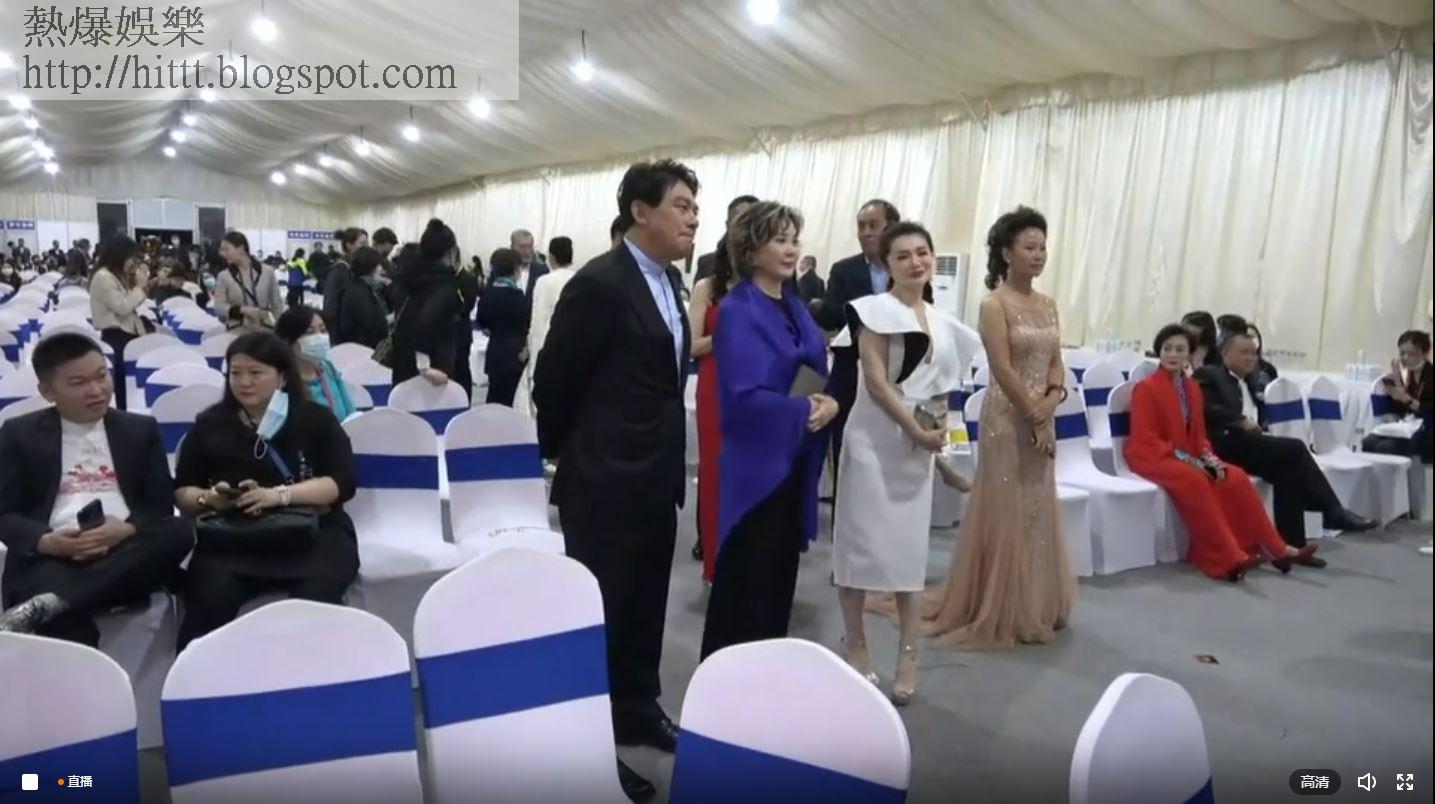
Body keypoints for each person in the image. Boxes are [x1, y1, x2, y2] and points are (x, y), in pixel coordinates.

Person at [533, 159, 696, 803]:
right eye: (681, 205)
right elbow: (554, 380)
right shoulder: (600, 284)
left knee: (645, 604)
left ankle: (636, 707)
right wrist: (574, 454)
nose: (692, 218)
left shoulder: (671, 281)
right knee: (600, 613)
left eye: (694, 207)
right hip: (604, 479)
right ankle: (590, 739)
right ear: (640, 212)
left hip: (657, 475)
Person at [832, 221, 980, 703]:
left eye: (922, 253)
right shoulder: (873, 311)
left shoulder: (946, 324)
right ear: (887, 265)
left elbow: (942, 398)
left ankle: (909, 653)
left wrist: (943, 455)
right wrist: (913, 430)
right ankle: (855, 642)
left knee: (908, 555)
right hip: (873, 439)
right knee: (858, 547)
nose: (915, 262)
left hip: (917, 449)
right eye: (903, 256)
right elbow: (876, 383)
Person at [925, 206, 1076, 648]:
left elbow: (1056, 361)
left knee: (1036, 507)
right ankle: (1000, 606)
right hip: (1007, 418)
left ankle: (1034, 602)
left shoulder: (1048, 305)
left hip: (1041, 414)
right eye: (1029, 247)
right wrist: (1035, 414)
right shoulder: (995, 304)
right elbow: (1002, 368)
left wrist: (1050, 402)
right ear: (1007, 253)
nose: (1039, 254)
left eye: (1043, 247)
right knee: (1007, 507)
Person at [701, 201, 837, 660]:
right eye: (779, 240)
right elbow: (742, 396)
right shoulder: (738, 309)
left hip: (793, 454)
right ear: (751, 248)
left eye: (794, 240)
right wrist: (803, 409)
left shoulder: (794, 304)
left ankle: (767, 679)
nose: (791, 249)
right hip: (757, 466)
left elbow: (815, 368)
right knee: (748, 582)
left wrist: (828, 402)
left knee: (779, 579)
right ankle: (729, 682)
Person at [0, 334, 192, 643]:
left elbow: (159, 505)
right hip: (54, 556)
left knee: (179, 530)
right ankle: (64, 601)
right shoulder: (19, 434)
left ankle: (56, 599)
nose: (97, 390)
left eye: (102, 376)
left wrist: (126, 530)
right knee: (66, 624)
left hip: (125, 549)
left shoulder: (139, 430)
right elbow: (5, 513)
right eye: (78, 383)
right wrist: (46, 542)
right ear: (47, 392)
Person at [173, 332, 359, 649]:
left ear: (282, 377)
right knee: (208, 601)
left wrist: (279, 496)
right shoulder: (210, 425)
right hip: (234, 538)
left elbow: (342, 483)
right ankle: (200, 676)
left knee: (316, 600)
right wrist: (210, 499)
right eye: (235, 373)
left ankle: (316, 672)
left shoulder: (315, 419)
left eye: (256, 373)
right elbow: (182, 491)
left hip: (313, 533)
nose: (244, 382)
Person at [1126, 325, 1319, 581]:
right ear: (1158, 352)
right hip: (1152, 456)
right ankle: (1228, 556)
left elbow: (1199, 436)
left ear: (1189, 355)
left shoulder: (1191, 389)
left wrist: (1208, 457)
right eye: (1167, 349)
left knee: (1233, 476)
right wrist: (1189, 460)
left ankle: (1277, 548)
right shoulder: (1146, 388)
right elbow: (1146, 439)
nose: (1172, 354)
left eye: (1179, 349)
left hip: (1185, 456)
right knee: (1195, 479)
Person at [1196, 330, 1376, 557]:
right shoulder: (1209, 374)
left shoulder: (1250, 381)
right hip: (1224, 443)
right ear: (1225, 353)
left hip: (1250, 444)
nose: (1251, 358)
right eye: (1244, 352)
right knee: (1295, 449)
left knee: (1287, 473)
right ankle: (1332, 511)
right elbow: (1204, 407)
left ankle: (1293, 546)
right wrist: (1238, 420)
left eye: (1254, 353)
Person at [817, 199, 902, 488]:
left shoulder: (905, 267)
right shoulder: (844, 270)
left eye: (873, 226)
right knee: (847, 455)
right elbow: (830, 313)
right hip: (850, 374)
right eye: (861, 227)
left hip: (896, 374)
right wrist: (867, 317)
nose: (866, 233)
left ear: (891, 229)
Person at [687, 231, 736, 576]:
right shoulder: (707, 287)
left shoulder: (765, 289)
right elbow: (692, 345)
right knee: (715, 470)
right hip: (715, 384)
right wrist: (732, 333)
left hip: (755, 384)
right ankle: (715, 562)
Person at [390, 220, 460, 388]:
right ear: (450, 251)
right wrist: (424, 366)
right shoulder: (443, 284)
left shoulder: (405, 276)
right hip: (433, 366)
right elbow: (425, 322)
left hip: (403, 357)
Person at [87, 235, 153, 410]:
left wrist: (139, 284)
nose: (134, 263)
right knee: (121, 387)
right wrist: (139, 287)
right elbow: (122, 308)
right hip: (116, 336)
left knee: (128, 388)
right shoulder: (103, 277)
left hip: (126, 335)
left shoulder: (115, 276)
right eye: (132, 258)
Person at [514, 237, 576, 415]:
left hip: (547, 345)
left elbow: (538, 320)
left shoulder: (544, 281)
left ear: (551, 257)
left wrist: (531, 351)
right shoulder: (581, 278)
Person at [275, 307, 358, 421]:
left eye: (323, 330)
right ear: (289, 341)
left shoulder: (328, 369)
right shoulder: (281, 382)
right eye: (310, 333)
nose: (320, 337)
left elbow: (350, 412)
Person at [1363, 330, 1433, 464]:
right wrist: (1396, 383)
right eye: (1402, 353)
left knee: (1385, 447)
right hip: (1406, 427)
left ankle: (1391, 478)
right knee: (1368, 442)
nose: (1405, 358)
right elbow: (1399, 410)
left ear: (1425, 353)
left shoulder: (1430, 377)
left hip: (1427, 431)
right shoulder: (1406, 376)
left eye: (1411, 354)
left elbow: (1428, 409)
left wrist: (1407, 399)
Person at [476, 248, 531, 406]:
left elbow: (482, 321)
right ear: (516, 269)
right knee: (510, 400)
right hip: (514, 354)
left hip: (495, 351)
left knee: (494, 397)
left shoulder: (488, 293)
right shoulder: (517, 296)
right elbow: (526, 324)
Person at [213, 231, 284, 331]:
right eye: (221, 250)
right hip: (237, 329)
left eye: (226, 249)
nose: (222, 254)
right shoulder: (224, 276)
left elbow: (277, 304)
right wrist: (242, 311)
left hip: (265, 328)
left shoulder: (267, 272)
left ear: (241, 248)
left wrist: (278, 328)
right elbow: (219, 306)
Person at [333, 246, 390, 349]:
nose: (382, 270)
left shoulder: (360, 287)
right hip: (361, 349)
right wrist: (390, 319)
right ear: (370, 267)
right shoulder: (358, 294)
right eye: (378, 265)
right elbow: (371, 324)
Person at [693, 195, 758, 283]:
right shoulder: (707, 264)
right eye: (740, 221)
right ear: (728, 225)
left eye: (753, 222)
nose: (747, 228)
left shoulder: (769, 268)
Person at [322, 227, 369, 335]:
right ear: (349, 245)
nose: (366, 248)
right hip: (341, 332)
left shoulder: (358, 268)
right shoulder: (339, 270)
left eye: (367, 244)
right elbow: (330, 305)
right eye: (362, 244)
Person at [452, 244, 481, 403]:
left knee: (461, 369)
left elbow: (467, 306)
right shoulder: (446, 278)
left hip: (460, 332)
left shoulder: (468, 279)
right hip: (447, 334)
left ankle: (464, 401)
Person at [510, 228, 549, 298]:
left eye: (530, 246)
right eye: (523, 247)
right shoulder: (503, 269)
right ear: (512, 247)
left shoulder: (542, 270)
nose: (527, 251)